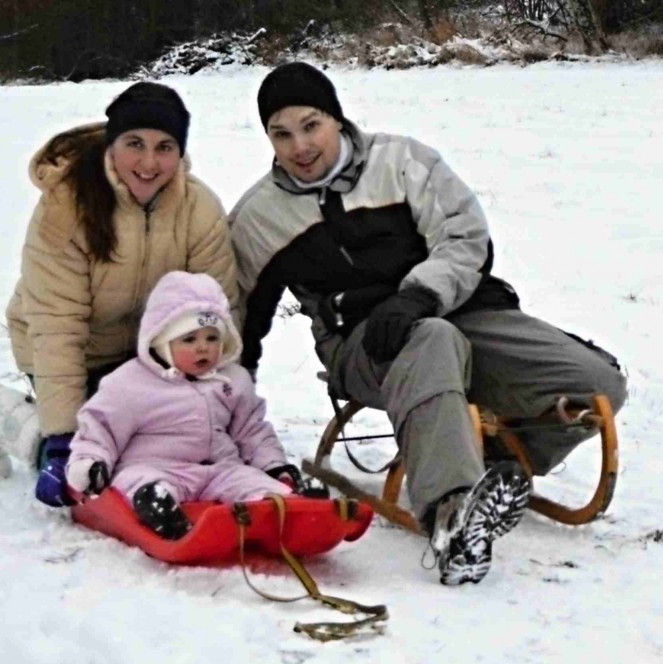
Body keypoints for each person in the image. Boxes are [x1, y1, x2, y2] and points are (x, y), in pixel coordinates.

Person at [228, 62, 627, 585]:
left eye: (311, 126)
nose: (300, 147)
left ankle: (494, 459)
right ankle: (453, 515)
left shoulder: (403, 162)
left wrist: (419, 294)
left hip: (461, 309)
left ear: (336, 119)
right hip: (363, 345)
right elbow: (237, 319)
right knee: (433, 340)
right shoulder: (259, 217)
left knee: (597, 384)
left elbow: (465, 238)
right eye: (281, 134)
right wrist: (222, 409)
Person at [0, 82, 238, 508]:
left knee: (177, 441)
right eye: (134, 144)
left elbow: (218, 312)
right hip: (72, 352)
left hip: (152, 358)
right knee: (99, 459)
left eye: (164, 147)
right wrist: (62, 438)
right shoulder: (67, 206)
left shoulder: (199, 209)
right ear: (112, 144)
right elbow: (58, 327)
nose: (149, 162)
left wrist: (224, 408)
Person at [65, 271, 313, 539]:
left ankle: (282, 506)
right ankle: (156, 505)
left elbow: (251, 430)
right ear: (162, 341)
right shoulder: (130, 382)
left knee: (248, 480)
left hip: (219, 470)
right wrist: (91, 463)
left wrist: (272, 465)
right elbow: (101, 428)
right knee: (134, 479)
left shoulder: (232, 380)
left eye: (212, 338)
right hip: (158, 467)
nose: (203, 348)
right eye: (189, 339)